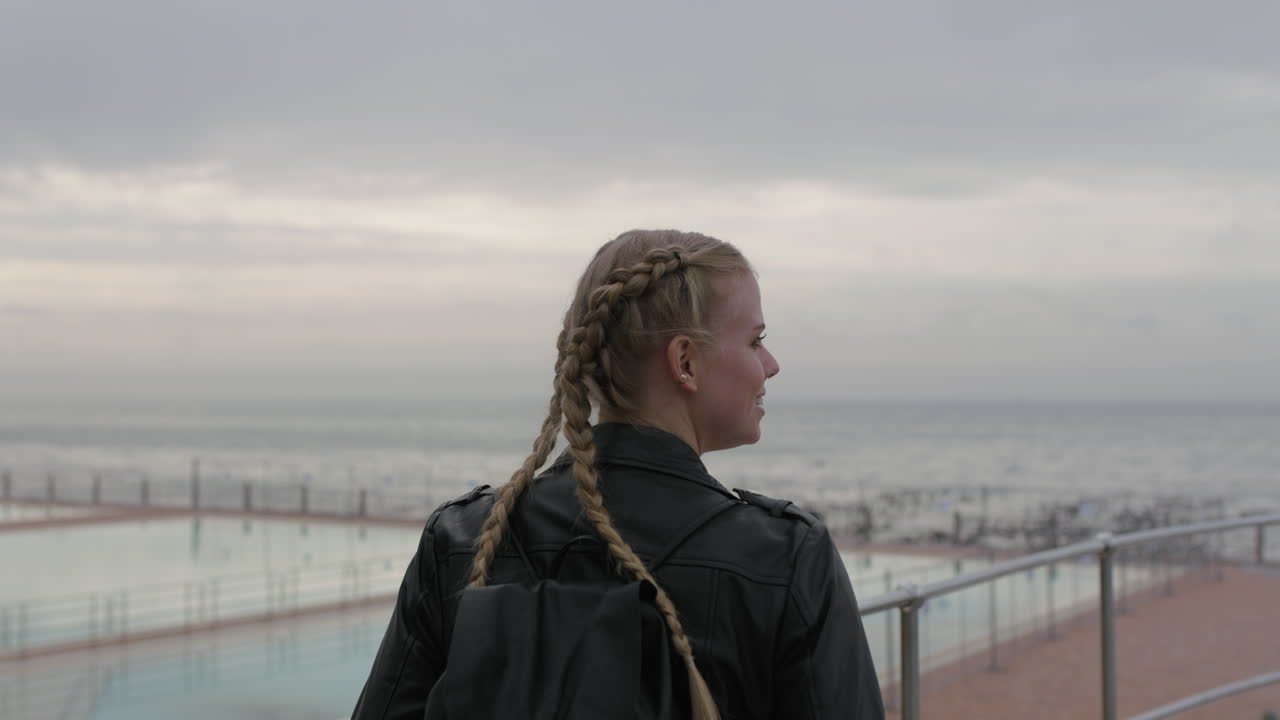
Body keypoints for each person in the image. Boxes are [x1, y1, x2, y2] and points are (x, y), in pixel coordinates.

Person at [351, 230, 884, 719]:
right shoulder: (786, 558)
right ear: (686, 363)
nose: (770, 365)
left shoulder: (460, 540)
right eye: (755, 340)